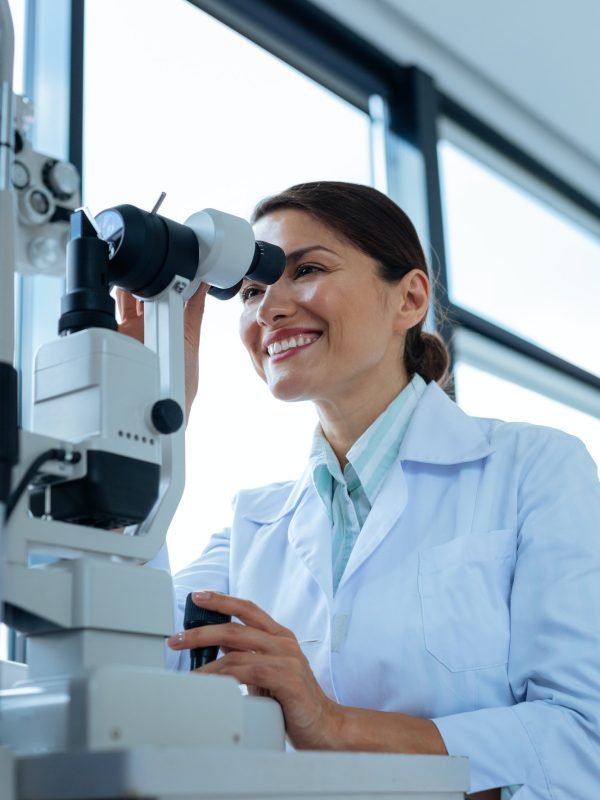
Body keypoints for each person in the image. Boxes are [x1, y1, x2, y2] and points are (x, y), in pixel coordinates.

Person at [118, 182, 600, 800]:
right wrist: (136, 421)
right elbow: (126, 673)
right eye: (253, 289)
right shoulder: (252, 525)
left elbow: (581, 740)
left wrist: (335, 724)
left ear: (410, 298)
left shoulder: (535, 468)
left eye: (308, 269)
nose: (268, 310)